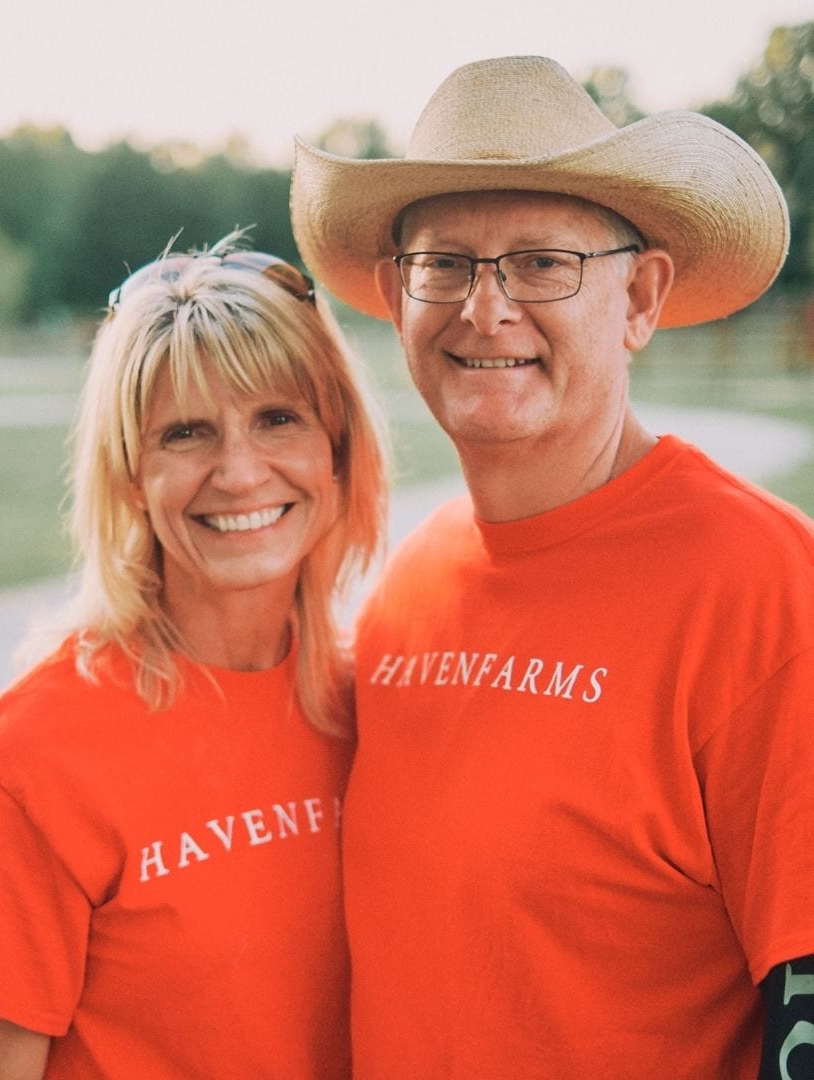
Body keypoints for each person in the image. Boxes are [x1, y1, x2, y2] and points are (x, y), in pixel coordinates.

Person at [291, 55, 814, 1079]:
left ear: (640, 296)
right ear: (399, 300)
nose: (485, 310)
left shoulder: (769, 592)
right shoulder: (409, 587)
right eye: (444, 264)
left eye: (541, 263)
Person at [0, 232, 387, 1078]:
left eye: (278, 418)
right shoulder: (24, 767)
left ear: (337, 449)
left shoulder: (374, 710)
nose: (239, 472)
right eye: (186, 434)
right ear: (130, 473)